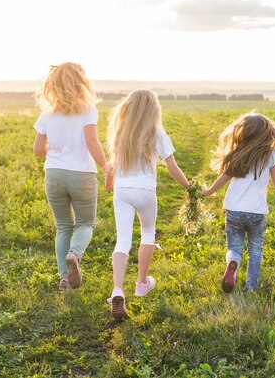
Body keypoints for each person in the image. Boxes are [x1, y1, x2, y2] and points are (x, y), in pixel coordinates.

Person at [106, 89, 190, 319]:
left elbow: (112, 163)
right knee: (147, 233)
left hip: (122, 190)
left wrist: (108, 180)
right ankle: (142, 283)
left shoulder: (120, 131)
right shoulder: (156, 132)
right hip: (145, 191)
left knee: (122, 239)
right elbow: (172, 166)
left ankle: (117, 289)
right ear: (153, 110)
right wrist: (189, 187)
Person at [204, 113, 275, 293]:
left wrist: (209, 191)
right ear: (267, 133)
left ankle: (233, 263)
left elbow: (224, 178)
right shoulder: (271, 155)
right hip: (257, 212)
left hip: (234, 209)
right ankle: (250, 288)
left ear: (243, 132)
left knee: (234, 248)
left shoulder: (237, 153)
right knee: (255, 251)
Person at [33, 62, 108, 291]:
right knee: (86, 224)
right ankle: (75, 254)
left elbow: (38, 149)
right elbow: (91, 141)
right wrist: (106, 166)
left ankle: (64, 279)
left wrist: (57, 152)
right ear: (81, 83)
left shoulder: (47, 113)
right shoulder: (88, 109)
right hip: (82, 175)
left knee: (63, 226)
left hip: (54, 174)